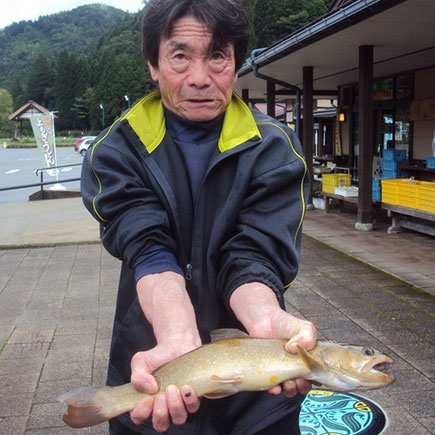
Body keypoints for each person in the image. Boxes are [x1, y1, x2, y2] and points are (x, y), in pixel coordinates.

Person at [81, 0, 316, 433]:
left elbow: (253, 257)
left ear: (236, 63)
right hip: (155, 368)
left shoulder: (275, 149)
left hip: (258, 380)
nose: (200, 78)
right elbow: (148, 250)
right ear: (153, 64)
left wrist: (265, 315)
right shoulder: (116, 151)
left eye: (218, 56)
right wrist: (177, 335)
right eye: (180, 56)